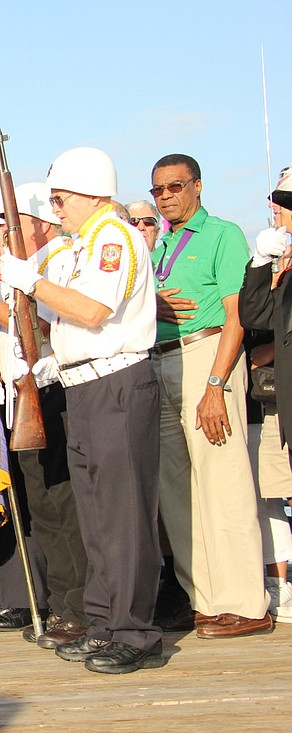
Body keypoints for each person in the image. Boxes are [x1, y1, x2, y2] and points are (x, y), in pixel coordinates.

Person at [0, 146, 162, 674]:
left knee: (124, 515)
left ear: (92, 192)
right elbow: (52, 321)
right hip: (83, 387)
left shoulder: (115, 238)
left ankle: (135, 632)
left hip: (117, 381)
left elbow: (92, 311)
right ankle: (103, 621)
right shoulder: (77, 246)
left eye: (62, 197)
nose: (56, 206)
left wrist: (33, 282)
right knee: (95, 517)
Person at [147, 153, 271, 639]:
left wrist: (216, 385)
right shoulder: (160, 246)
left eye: (174, 187)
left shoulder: (223, 234)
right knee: (177, 490)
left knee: (224, 481)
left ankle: (244, 601)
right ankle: (204, 598)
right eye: (157, 190)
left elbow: (236, 314)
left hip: (206, 355)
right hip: (160, 359)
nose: (165, 198)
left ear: (197, 186)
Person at [0, 183, 87, 646]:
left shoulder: (57, 261)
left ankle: (79, 607)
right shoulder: (18, 270)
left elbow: (43, 325)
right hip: (23, 397)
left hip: (56, 392)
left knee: (63, 508)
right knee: (44, 511)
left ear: (24, 224)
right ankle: (62, 604)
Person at [238, 164, 292, 623]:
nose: (279, 211)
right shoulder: (282, 260)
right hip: (281, 401)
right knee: (276, 492)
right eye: (277, 201)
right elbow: (255, 314)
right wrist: (260, 263)